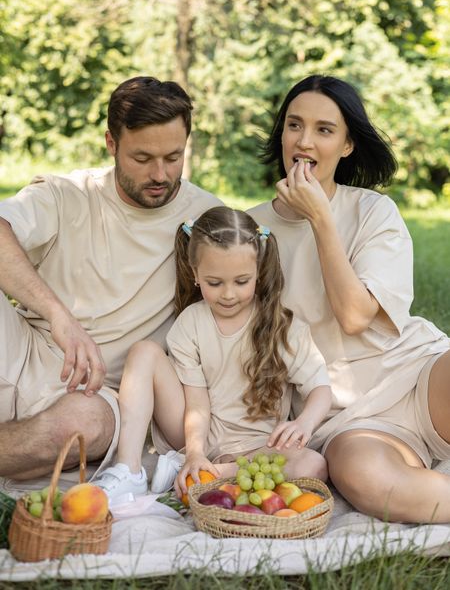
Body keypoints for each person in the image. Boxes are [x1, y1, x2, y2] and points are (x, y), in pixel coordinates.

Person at [248, 74, 450, 524]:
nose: (304, 141)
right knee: (366, 479)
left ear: (347, 145)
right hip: (345, 416)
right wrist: (317, 216)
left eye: (324, 130)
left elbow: (357, 314)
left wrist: (321, 216)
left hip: (416, 373)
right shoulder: (249, 232)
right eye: (294, 125)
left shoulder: (374, 211)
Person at [0, 76, 222, 481]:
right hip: (24, 351)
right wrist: (58, 315)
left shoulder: (206, 218)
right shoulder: (67, 193)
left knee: (82, 428)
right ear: (111, 143)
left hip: (98, 393)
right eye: (142, 158)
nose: (160, 174)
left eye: (173, 157)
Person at [93, 206, 331, 502]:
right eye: (214, 283)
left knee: (313, 464)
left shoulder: (284, 327)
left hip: (259, 445)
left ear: (258, 271)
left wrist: (303, 422)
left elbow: (321, 388)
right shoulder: (191, 323)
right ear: (195, 274)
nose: (228, 294)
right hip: (196, 432)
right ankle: (130, 470)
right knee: (144, 351)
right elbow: (196, 403)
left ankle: (213, 473)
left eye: (242, 281)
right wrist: (195, 451)